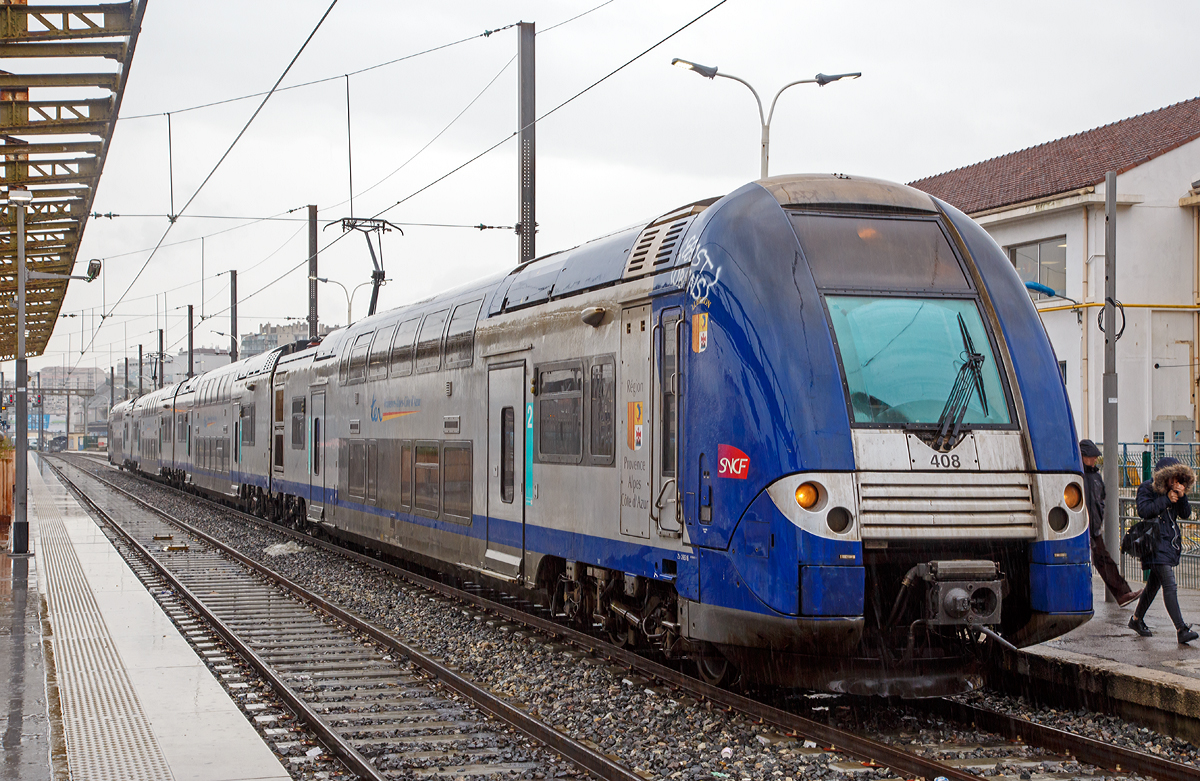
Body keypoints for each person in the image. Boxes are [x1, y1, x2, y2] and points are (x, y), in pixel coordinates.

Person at [1130, 457, 1199, 644]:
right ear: (1164, 476)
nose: (1175, 482)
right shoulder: (1147, 488)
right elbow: (1144, 511)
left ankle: (1136, 619)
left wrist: (1182, 497)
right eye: (1172, 478)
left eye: (1178, 479)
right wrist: (1165, 500)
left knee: (1153, 585)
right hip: (1154, 543)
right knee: (1169, 583)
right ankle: (1181, 629)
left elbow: (1185, 514)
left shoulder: (1175, 490)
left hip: (1169, 543)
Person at [1078, 440, 1142, 607]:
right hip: (1080, 528)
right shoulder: (1079, 476)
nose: (1094, 460)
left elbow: (1101, 499)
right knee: (1087, 563)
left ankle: (1123, 594)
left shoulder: (1094, 477)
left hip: (1092, 529)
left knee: (1104, 561)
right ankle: (1120, 594)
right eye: (1091, 457)